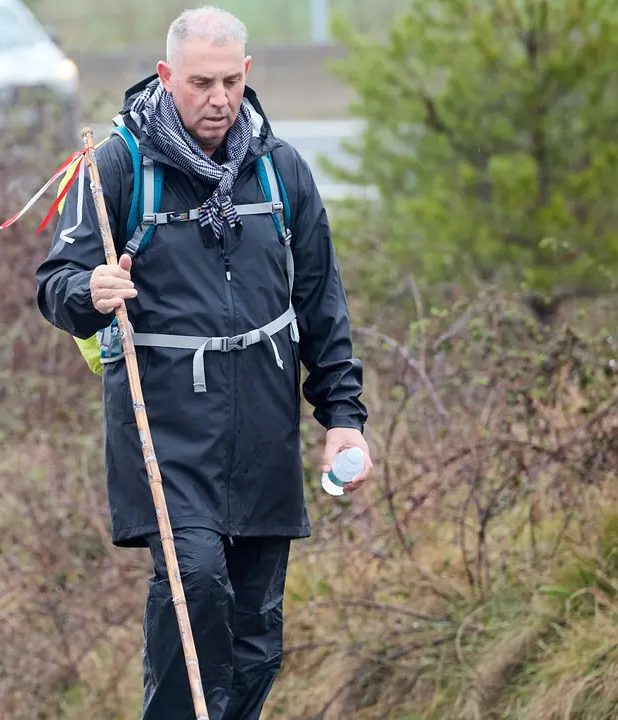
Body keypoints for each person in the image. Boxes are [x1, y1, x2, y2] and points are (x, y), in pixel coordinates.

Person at [34, 7, 372, 719]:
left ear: (246, 74)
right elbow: (54, 282)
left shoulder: (281, 172)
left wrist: (342, 418)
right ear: (165, 76)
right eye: (198, 83)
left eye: (227, 81)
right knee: (195, 591)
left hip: (263, 430)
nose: (216, 99)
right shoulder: (117, 167)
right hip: (165, 431)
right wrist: (89, 290)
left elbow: (320, 303)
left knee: (256, 637)